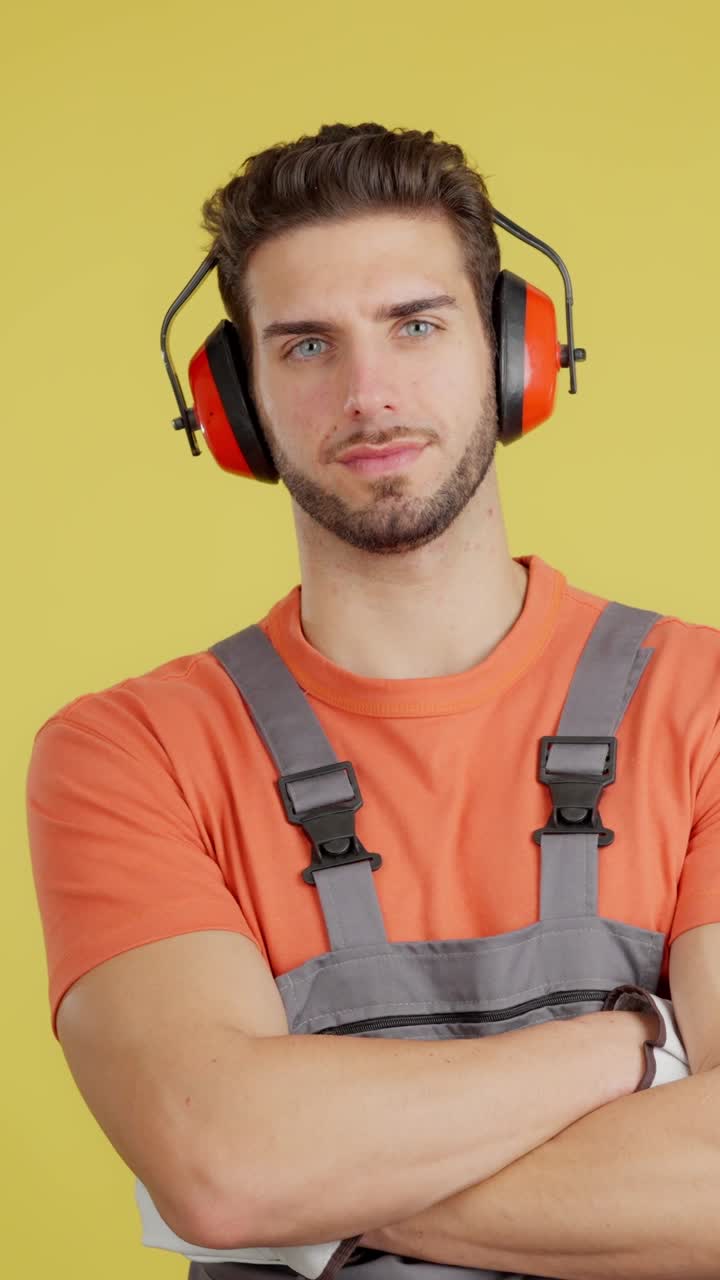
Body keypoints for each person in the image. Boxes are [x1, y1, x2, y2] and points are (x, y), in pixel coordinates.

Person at [25, 123, 720, 1280]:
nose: (368, 392)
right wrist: (642, 1044)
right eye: (305, 345)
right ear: (235, 399)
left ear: (516, 352)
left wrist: (306, 1193)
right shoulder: (128, 750)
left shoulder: (702, 700)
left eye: (415, 323)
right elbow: (223, 1162)